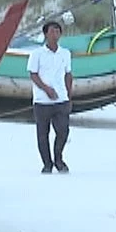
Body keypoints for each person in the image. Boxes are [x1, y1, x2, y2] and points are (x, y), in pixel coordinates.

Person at [29, 19, 74, 174]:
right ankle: (47, 163)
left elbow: (68, 74)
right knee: (43, 134)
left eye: (57, 31)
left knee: (63, 131)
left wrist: (69, 95)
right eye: (52, 31)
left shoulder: (65, 53)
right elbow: (33, 74)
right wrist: (46, 89)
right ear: (45, 34)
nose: (55, 34)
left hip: (61, 99)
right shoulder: (37, 54)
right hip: (42, 100)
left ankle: (58, 159)